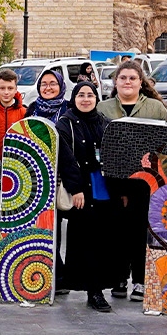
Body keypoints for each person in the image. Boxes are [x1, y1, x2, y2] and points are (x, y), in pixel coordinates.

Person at [96, 60, 167, 303]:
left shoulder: (156, 108)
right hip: (113, 180)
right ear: (115, 82)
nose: (127, 82)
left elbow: (164, 142)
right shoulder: (102, 108)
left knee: (140, 230)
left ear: (141, 82)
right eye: (123, 78)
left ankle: (140, 279)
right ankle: (117, 278)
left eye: (132, 78)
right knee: (116, 231)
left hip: (144, 182)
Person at [53, 80, 113, 310]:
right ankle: (93, 291)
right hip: (82, 192)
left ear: (96, 98)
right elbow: (66, 160)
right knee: (85, 243)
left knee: (102, 243)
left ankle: (100, 288)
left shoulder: (105, 123)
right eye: (81, 95)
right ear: (74, 98)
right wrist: (75, 188)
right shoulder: (65, 124)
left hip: (103, 192)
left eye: (90, 95)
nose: (86, 99)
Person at [0, 68, 28, 155]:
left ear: (16, 89)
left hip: (16, 164)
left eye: (10, 88)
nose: (6, 92)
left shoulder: (24, 113)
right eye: (2, 88)